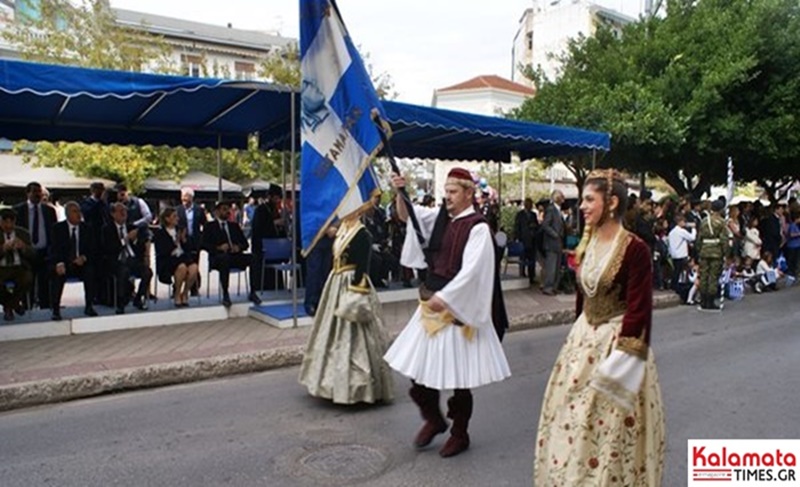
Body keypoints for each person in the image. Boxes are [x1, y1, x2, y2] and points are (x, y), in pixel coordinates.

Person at [534, 169, 665, 486]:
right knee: (570, 417)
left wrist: (622, 361)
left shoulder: (635, 249)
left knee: (609, 426)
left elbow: (639, 308)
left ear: (612, 202)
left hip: (617, 344)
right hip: (582, 341)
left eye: (588, 199)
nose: (581, 206)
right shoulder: (587, 242)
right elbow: (584, 297)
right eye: (582, 200)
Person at [384, 168, 511, 458]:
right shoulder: (441, 217)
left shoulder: (478, 228)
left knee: (459, 379)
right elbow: (408, 216)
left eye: (453, 192)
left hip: (457, 310)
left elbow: (474, 272)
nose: (447, 196)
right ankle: (434, 419)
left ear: (469, 193)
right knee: (418, 373)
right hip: (433, 306)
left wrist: (447, 297)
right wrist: (399, 191)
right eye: (446, 191)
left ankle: (460, 432)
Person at [298, 214, 394, 404]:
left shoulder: (362, 234)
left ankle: (359, 387)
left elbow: (362, 267)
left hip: (351, 284)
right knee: (331, 334)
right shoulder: (344, 229)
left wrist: (356, 293)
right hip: (335, 283)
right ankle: (331, 383)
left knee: (356, 336)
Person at [202, 201, 261, 307]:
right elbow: (204, 244)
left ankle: (253, 291)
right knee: (224, 259)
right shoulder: (210, 226)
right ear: (217, 211)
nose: (227, 212)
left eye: (228, 210)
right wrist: (218, 247)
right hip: (218, 257)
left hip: (234, 256)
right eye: (224, 209)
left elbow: (245, 244)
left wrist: (238, 247)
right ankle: (225, 293)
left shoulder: (234, 226)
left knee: (254, 258)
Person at [49, 201, 98, 321]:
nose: (78, 214)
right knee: (57, 274)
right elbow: (53, 249)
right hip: (64, 262)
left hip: (81, 263)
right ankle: (55, 309)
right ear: (67, 214)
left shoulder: (87, 228)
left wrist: (84, 257)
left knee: (90, 271)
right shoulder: (57, 228)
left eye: (79, 211)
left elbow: (93, 249)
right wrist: (59, 263)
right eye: (75, 212)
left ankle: (89, 305)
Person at [102, 203, 153, 314]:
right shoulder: (107, 229)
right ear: (113, 214)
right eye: (120, 211)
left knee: (147, 272)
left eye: (125, 211)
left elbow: (140, 246)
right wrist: (125, 240)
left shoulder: (131, 227)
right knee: (123, 271)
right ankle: (121, 303)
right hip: (116, 260)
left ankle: (139, 298)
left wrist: (136, 241)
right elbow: (109, 248)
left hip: (131, 258)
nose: (123, 213)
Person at [14, 181, 57, 310]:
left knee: (44, 281)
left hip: (45, 251)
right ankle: (27, 306)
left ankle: (45, 307)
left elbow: (53, 232)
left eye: (39, 192)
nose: (37, 194)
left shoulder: (49, 210)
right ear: (28, 193)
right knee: (28, 282)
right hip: (26, 252)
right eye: (34, 191)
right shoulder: (18, 210)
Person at [154, 207, 199, 307]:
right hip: (168, 259)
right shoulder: (160, 233)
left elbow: (189, 248)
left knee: (194, 268)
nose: (177, 218)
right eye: (174, 216)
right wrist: (175, 242)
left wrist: (184, 240)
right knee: (182, 267)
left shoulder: (180, 230)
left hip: (182, 256)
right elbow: (162, 251)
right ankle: (177, 293)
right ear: (167, 219)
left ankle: (185, 292)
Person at [0, 207, 34, 321]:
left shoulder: (23, 233)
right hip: (2, 268)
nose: (8, 225)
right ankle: (13, 305)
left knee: (27, 278)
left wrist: (23, 247)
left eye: (11, 222)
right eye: (5, 222)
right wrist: (2, 249)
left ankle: (10, 306)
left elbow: (33, 254)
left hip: (19, 267)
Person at [696, 199, 729, 311]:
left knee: (704, 275)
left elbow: (699, 238)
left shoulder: (704, 221)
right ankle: (710, 301)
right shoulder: (721, 222)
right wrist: (726, 253)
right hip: (716, 252)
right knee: (713, 276)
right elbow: (724, 239)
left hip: (704, 251)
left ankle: (703, 300)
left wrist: (699, 250)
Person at [177, 187, 206, 296]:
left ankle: (194, 288)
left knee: (194, 263)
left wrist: (202, 237)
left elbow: (205, 224)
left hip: (195, 240)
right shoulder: (178, 210)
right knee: (181, 264)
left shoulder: (199, 210)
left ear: (191, 198)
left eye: (186, 199)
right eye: (182, 198)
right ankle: (177, 288)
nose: (184, 201)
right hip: (182, 241)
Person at [541, 190, 565, 295]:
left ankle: (554, 287)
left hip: (558, 243)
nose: (563, 199)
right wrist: (555, 234)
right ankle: (548, 287)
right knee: (551, 266)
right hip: (552, 243)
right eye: (561, 196)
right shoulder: (551, 209)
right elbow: (545, 225)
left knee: (557, 267)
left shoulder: (558, 210)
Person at [668, 214, 696, 293]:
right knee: (681, 271)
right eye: (683, 221)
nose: (685, 223)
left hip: (674, 254)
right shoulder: (681, 231)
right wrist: (694, 229)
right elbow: (692, 237)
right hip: (681, 254)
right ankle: (677, 286)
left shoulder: (672, 232)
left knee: (676, 270)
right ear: (679, 222)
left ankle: (674, 285)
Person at [513, 197, 539, 284]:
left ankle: (531, 276)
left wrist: (534, 227)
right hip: (523, 240)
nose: (529, 206)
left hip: (532, 240)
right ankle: (522, 274)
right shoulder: (520, 215)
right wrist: (517, 238)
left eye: (530, 204)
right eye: (527, 204)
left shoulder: (533, 215)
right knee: (523, 258)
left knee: (532, 259)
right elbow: (517, 227)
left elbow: (537, 226)